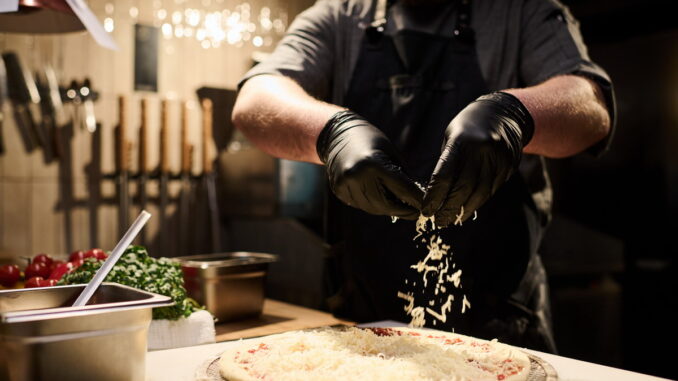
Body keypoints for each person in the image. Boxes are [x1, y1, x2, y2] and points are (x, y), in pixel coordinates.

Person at [232, 0, 615, 353]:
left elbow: (591, 103)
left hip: (500, 326)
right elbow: (255, 99)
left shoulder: (521, 10)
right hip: (360, 324)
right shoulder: (339, 14)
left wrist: (515, 114)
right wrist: (331, 132)